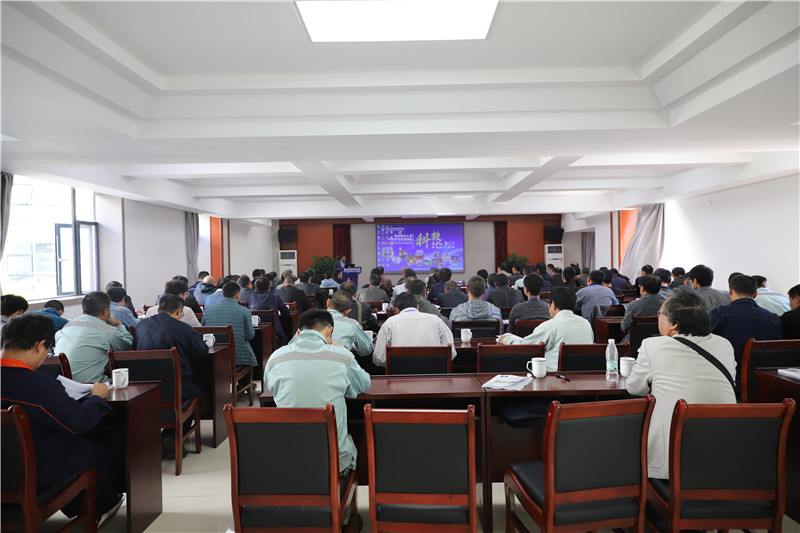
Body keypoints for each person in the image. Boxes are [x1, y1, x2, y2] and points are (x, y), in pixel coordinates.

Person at [0, 314, 124, 526]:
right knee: (100, 450)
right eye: (48, 350)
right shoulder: (40, 386)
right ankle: (95, 509)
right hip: (33, 472)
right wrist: (96, 397)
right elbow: (80, 423)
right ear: (39, 346)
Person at [626, 290, 737, 479]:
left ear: (674, 323)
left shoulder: (653, 346)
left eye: (660, 314)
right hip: (724, 456)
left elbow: (634, 388)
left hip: (674, 462)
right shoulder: (724, 344)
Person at [265, 309, 370, 473]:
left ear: (298, 333)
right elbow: (363, 384)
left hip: (288, 460)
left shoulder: (276, 357)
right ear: (329, 330)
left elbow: (270, 387)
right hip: (333, 463)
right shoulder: (342, 356)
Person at [133, 294, 210, 458]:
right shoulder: (183, 328)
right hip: (176, 390)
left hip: (144, 392)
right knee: (198, 393)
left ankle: (163, 439)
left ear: (158, 309)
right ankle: (171, 436)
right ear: (179, 311)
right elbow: (202, 353)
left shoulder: (140, 327)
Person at [710, 274, 781, 390]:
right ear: (755, 294)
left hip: (727, 378)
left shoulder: (719, 314)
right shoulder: (772, 318)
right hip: (761, 382)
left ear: (730, 291)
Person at [499, 286, 593, 372]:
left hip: (554, 378)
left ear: (553, 304)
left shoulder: (550, 326)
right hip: (584, 376)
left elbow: (525, 346)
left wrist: (506, 339)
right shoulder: (586, 324)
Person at [55, 291, 133, 383]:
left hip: (61, 384)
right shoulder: (106, 331)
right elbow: (127, 346)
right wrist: (119, 324)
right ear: (106, 311)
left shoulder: (67, 327)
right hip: (90, 386)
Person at [372, 292, 455, 367]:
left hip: (400, 376)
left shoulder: (389, 323)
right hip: (434, 375)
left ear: (397, 310)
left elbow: (379, 358)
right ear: (417, 307)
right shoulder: (436, 320)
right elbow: (451, 352)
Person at [202, 282, 257, 370]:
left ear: (223, 295)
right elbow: (250, 336)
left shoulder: (207, 311)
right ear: (238, 296)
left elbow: (204, 334)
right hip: (238, 359)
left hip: (215, 358)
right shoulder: (245, 311)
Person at [325, 291, 374, 358]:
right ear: (348, 311)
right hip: (340, 362)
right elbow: (365, 350)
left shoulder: (311, 320)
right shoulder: (352, 324)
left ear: (328, 302)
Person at [620, 274, 665, 342]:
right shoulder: (666, 305)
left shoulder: (633, 305)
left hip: (634, 343)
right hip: (658, 342)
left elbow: (624, 327)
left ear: (642, 288)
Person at [248, 275, 290, 344]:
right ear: (269, 287)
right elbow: (286, 313)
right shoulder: (275, 297)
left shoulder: (250, 298)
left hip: (255, 335)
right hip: (274, 335)